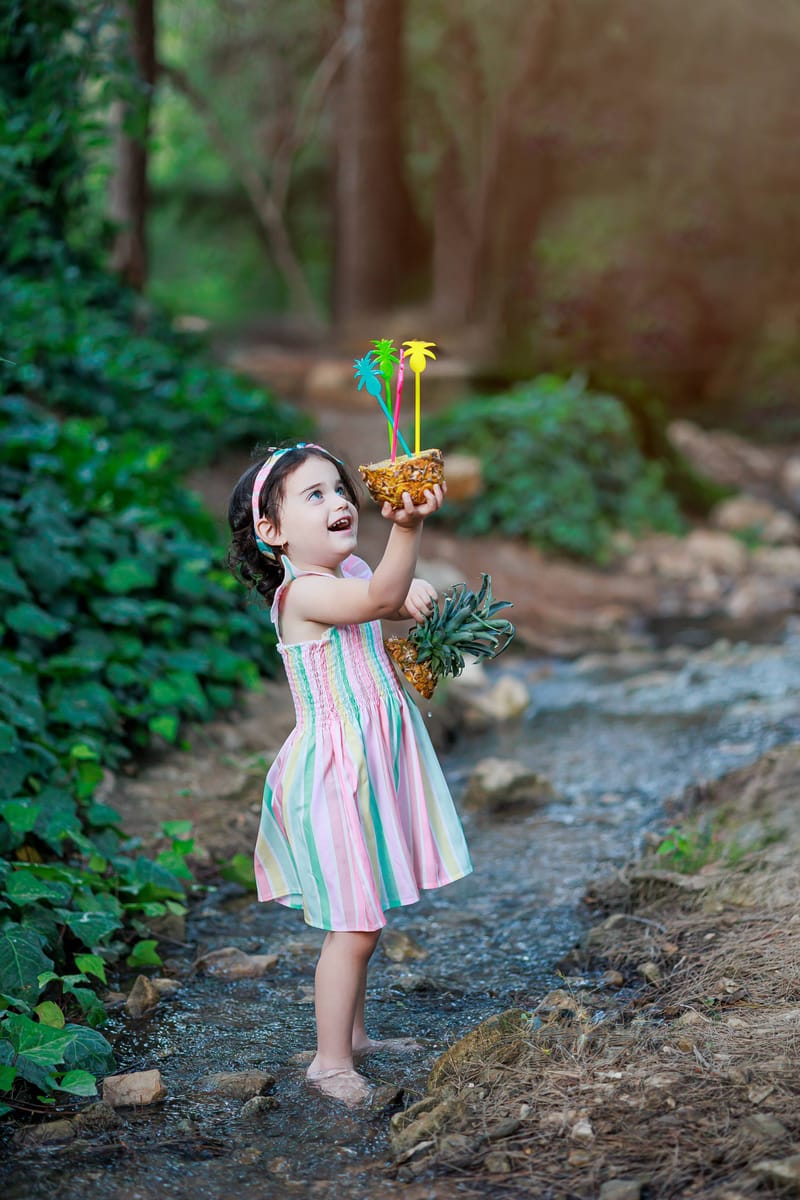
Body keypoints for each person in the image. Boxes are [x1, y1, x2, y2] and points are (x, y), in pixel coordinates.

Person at [227, 441, 472, 1106]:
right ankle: (328, 1062)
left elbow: (383, 598)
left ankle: (356, 1036)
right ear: (272, 533)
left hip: (368, 762)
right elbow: (375, 597)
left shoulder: (350, 571)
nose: (339, 502)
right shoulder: (302, 595)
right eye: (315, 495)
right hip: (333, 778)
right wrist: (410, 529)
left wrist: (409, 591)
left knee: (367, 911)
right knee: (354, 924)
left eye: (340, 490)